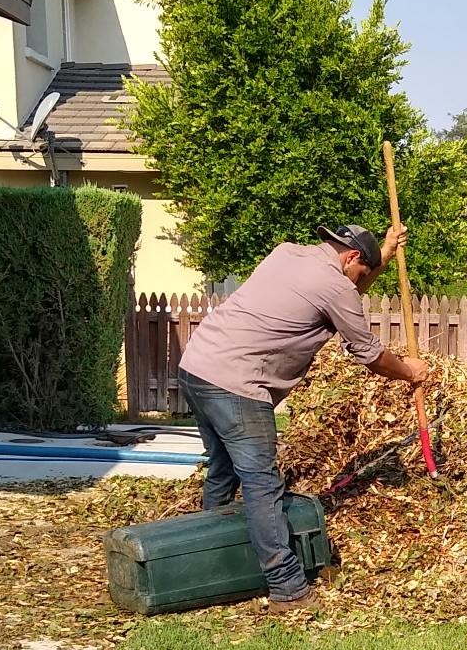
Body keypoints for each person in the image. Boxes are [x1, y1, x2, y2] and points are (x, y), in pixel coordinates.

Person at [178, 225, 431, 611]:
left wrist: (384, 252)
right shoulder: (336, 287)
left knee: (223, 469)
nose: (361, 281)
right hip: (237, 384)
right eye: (364, 271)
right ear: (351, 257)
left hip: (197, 366)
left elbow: (344, 289)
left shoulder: (289, 253)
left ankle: (210, 561)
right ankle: (287, 586)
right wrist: (410, 372)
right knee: (262, 484)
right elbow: (368, 353)